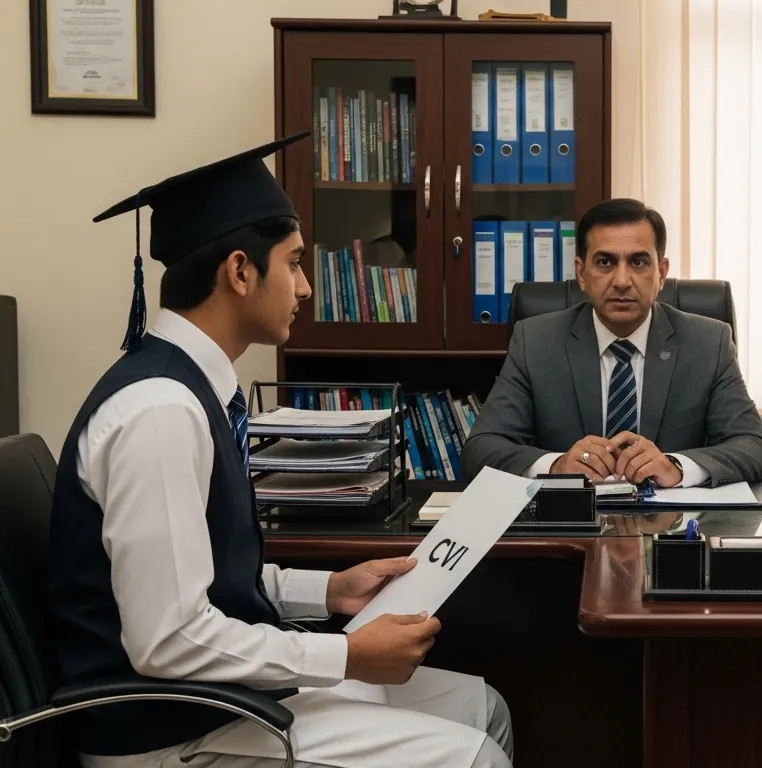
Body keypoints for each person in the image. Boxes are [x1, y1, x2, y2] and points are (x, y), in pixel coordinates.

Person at [47, 132, 513, 768]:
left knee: (482, 706)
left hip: (216, 698)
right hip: (170, 733)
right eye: (294, 263)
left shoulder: (195, 391)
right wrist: (346, 655)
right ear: (241, 272)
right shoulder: (161, 411)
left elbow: (202, 577)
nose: (306, 287)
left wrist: (330, 590)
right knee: (475, 755)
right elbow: (169, 638)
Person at [461, 197, 762, 488]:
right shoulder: (535, 343)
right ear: (581, 274)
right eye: (605, 262)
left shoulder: (708, 343)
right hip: (572, 523)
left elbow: (754, 447)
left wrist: (677, 467)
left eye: (638, 262)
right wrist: (556, 466)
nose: (622, 281)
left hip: (672, 522)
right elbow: (481, 449)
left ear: (661, 273)